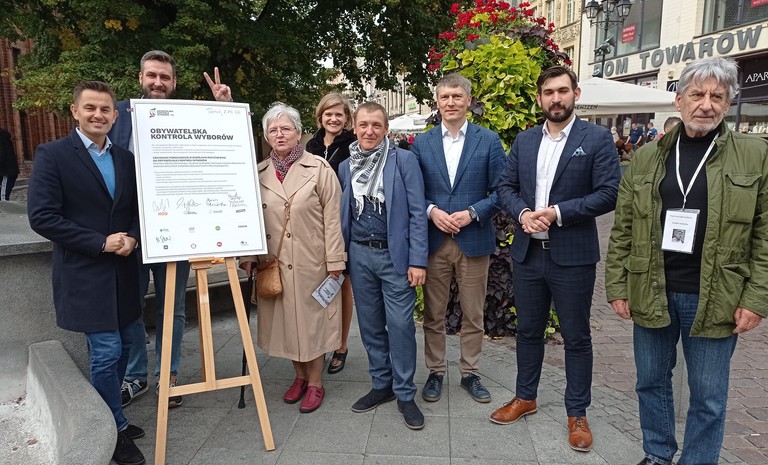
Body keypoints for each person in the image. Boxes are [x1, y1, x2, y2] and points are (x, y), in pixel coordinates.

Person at [605, 57, 767, 465]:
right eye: (697, 94)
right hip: (651, 287)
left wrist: (756, 299)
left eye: (717, 96)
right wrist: (617, 286)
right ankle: (658, 454)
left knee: (709, 396)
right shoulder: (647, 156)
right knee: (650, 382)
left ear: (728, 103)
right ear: (679, 101)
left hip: (718, 294)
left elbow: (765, 235)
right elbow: (623, 227)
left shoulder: (755, 154)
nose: (706, 104)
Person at [492, 66, 620, 452]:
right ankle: (525, 397)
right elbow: (505, 186)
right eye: (548, 92)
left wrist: (557, 213)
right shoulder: (526, 140)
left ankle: (577, 413)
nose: (556, 98)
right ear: (539, 98)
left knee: (576, 337)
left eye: (562, 91)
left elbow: (609, 193)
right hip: (529, 254)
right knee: (528, 331)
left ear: (575, 94)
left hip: (573, 256)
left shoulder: (596, 138)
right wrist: (522, 212)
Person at [28, 81, 146, 465]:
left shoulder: (125, 158)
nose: (98, 115)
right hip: (86, 272)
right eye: (90, 108)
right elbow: (42, 217)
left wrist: (133, 236)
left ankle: (115, 416)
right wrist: (100, 242)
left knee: (126, 346)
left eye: (105, 109)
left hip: (124, 271)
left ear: (115, 115)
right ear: (75, 111)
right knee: (107, 351)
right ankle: (114, 429)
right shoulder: (53, 155)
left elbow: (136, 208)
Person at [109, 50, 232, 409]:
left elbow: (221, 143)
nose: (158, 82)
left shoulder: (187, 115)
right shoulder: (117, 114)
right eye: (152, 75)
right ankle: (136, 375)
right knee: (130, 306)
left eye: (164, 77)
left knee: (172, 307)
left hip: (175, 229)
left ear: (174, 82)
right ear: (140, 78)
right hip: (128, 232)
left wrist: (224, 107)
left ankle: (169, 374)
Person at [240, 102, 345, 414]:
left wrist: (335, 261)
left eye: (286, 128)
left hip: (312, 261)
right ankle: (299, 376)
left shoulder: (319, 169)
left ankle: (315, 382)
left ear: (298, 133)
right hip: (273, 263)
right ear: (266, 136)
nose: (279, 134)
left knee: (313, 324)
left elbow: (333, 219)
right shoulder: (257, 173)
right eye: (273, 130)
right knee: (285, 323)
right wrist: (249, 256)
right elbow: (250, 220)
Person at [411, 73, 506, 405]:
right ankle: (436, 371)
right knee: (433, 314)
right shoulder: (422, 143)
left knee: (473, 313)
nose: (450, 102)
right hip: (435, 241)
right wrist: (431, 211)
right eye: (444, 97)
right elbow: (412, 191)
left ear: (468, 100)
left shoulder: (488, 140)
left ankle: (470, 373)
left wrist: (473, 213)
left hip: (474, 238)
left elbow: (502, 190)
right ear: (437, 102)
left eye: (456, 96)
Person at [339, 102, 428, 430]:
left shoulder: (403, 160)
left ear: (386, 129)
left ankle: (405, 393)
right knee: (370, 325)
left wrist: (418, 260)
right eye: (363, 125)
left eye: (376, 125)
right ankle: (381, 385)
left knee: (401, 325)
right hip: (359, 255)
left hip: (396, 257)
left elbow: (418, 212)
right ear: (355, 127)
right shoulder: (346, 165)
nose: (369, 131)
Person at [305, 92, 356, 374]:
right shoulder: (310, 146)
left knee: (342, 282)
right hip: (313, 224)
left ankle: (341, 345)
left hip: (343, 220)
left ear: (346, 118)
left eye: (339, 114)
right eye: (329, 114)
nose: (334, 119)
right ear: (320, 116)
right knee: (316, 281)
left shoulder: (354, 145)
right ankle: (321, 340)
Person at [0, 127, 19, 201]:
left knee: (3, 198)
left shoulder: (2, 137)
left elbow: (1, 155)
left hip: (6, 171)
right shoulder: (4, 137)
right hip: (6, 171)